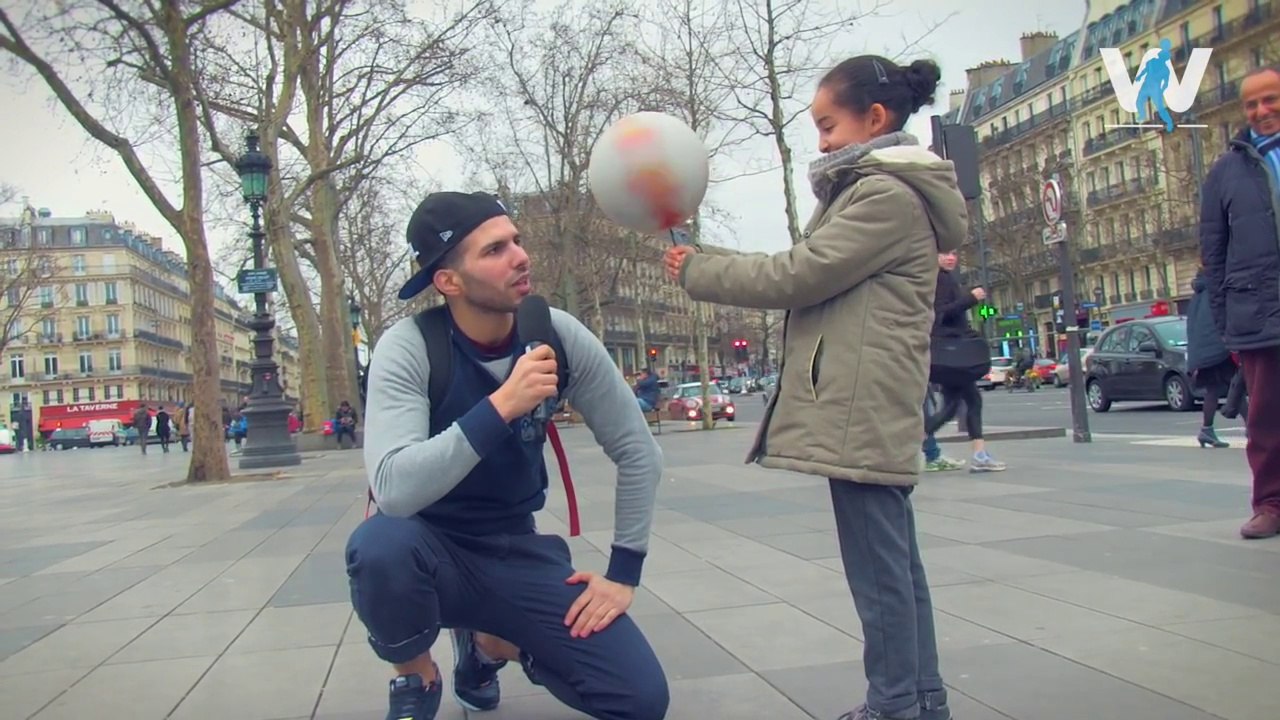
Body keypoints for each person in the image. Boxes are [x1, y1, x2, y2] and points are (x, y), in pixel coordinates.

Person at [666, 54, 959, 720]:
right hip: (869, 398)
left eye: (829, 126)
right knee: (895, 565)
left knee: (880, 573)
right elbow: (808, 270)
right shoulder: (878, 191)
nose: (822, 142)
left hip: (862, 403)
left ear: (874, 118)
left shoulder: (883, 195)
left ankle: (894, 707)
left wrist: (699, 271)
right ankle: (921, 697)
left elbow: (798, 275)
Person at [346, 191, 668, 720]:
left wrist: (623, 573)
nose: (521, 256)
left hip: (515, 549)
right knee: (378, 545)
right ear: (447, 281)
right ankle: (416, 675)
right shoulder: (408, 347)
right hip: (426, 548)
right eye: (495, 250)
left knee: (639, 699)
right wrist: (500, 407)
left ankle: (490, 646)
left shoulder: (559, 335)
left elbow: (638, 452)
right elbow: (395, 490)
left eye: (517, 241)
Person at [1200, 63, 1280, 539]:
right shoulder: (1226, 171)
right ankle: (1271, 503)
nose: (1262, 110)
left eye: (1270, 99)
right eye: (1252, 103)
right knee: (1266, 416)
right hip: (1258, 310)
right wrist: (1226, 322)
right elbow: (1213, 250)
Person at [924, 251, 1006, 472]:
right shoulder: (940, 278)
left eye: (953, 253)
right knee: (964, 403)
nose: (950, 258)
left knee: (959, 404)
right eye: (943, 254)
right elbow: (940, 313)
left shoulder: (941, 277)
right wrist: (971, 298)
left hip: (952, 352)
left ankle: (978, 454)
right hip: (952, 351)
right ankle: (917, 437)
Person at [1186, 267, 1235, 448]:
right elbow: (1219, 320)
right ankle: (1252, 429)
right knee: (1237, 384)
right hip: (1218, 350)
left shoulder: (1197, 296)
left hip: (1204, 352)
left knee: (1214, 390)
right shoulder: (1212, 293)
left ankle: (1206, 430)